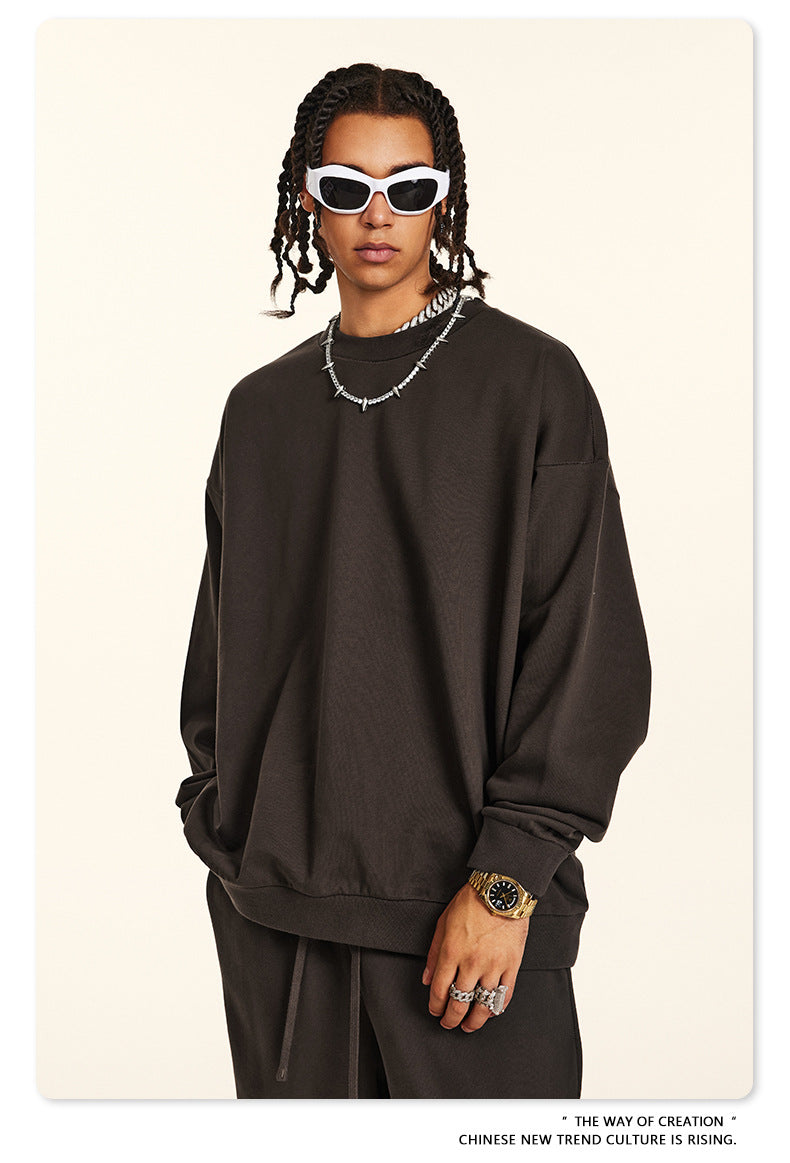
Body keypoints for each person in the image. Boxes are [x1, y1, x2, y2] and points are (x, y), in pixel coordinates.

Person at [176, 62, 652, 1100]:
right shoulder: (260, 410)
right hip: (277, 926)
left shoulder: (532, 381)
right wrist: (224, 826)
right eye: (347, 187)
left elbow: (588, 653)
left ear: (446, 198)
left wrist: (508, 878)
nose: (378, 213)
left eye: (410, 186)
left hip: (471, 928)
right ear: (308, 199)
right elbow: (221, 654)